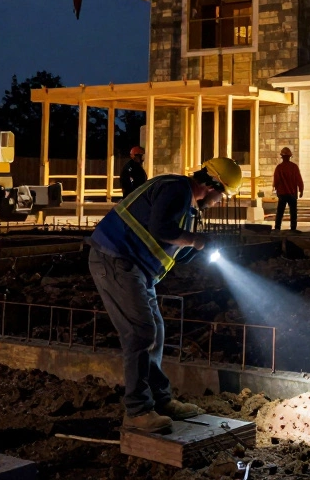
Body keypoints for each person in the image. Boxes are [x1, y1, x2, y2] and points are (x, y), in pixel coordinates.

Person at [86, 156, 243, 432]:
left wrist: (199, 249)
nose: (220, 202)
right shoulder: (176, 188)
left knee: (155, 330)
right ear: (214, 184)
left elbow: (173, 249)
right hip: (115, 260)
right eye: (222, 195)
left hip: (134, 268)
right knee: (140, 333)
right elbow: (162, 230)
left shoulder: (186, 205)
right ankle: (138, 411)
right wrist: (196, 241)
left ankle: (160, 400)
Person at [272, 146, 304, 231]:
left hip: (282, 194)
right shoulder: (294, 167)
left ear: (282, 157)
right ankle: (293, 228)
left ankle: (277, 227)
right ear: (290, 157)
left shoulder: (279, 168)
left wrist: (275, 189)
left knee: (280, 212)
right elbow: (299, 179)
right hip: (292, 193)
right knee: (293, 212)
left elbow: (276, 181)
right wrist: (301, 190)